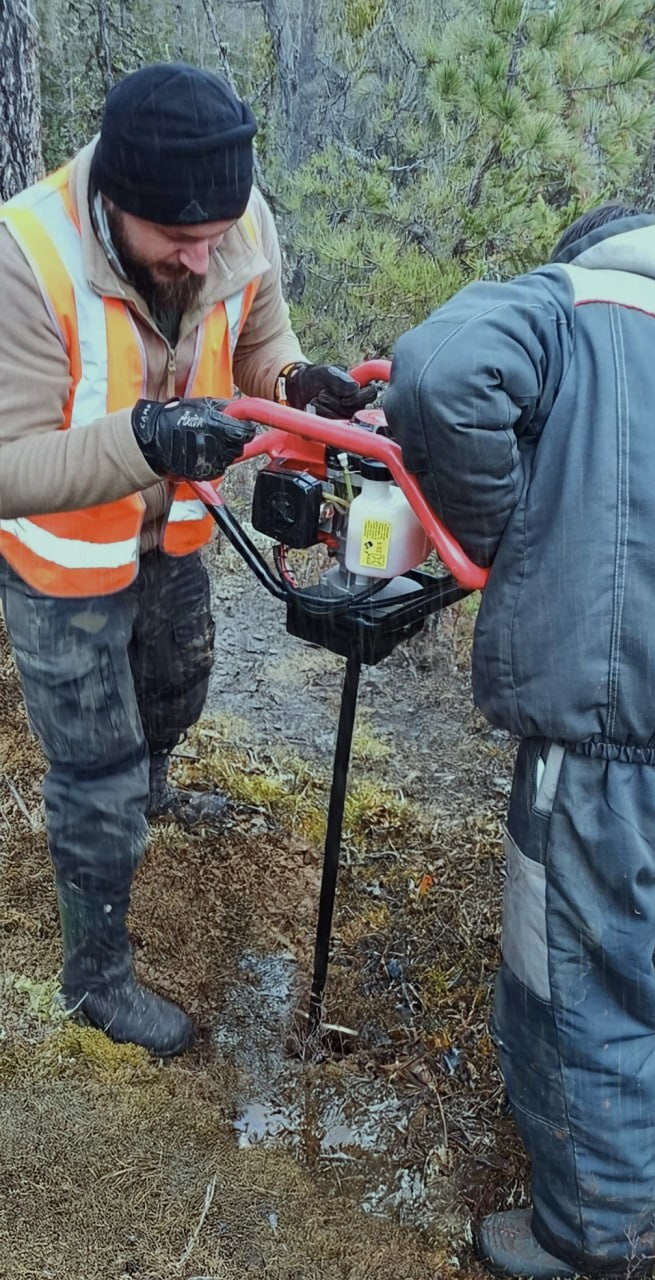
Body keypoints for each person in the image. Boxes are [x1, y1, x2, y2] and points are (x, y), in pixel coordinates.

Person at [383, 203, 655, 1279]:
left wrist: (509, 536)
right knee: (626, 950)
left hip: (606, 727)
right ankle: (581, 1145)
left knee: (579, 986)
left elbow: (441, 375)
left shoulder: (573, 304)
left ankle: (593, 1241)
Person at [0, 61, 375, 1059]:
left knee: (174, 686)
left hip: (172, 537)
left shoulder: (233, 223)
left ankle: (156, 783)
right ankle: (95, 981)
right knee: (97, 772)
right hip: (63, 565)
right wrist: (150, 438)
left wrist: (296, 381)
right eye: (177, 241)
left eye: (215, 238)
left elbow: (261, 335)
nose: (201, 257)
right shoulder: (27, 256)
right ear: (116, 203)